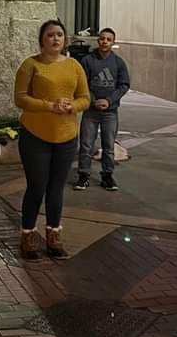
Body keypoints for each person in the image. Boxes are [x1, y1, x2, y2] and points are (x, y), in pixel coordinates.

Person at [13, 19, 90, 261]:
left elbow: (85, 97)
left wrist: (71, 106)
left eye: (59, 35)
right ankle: (28, 236)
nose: (55, 39)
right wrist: (49, 105)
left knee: (56, 189)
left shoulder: (74, 66)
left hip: (66, 136)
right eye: (50, 35)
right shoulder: (30, 65)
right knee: (37, 187)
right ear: (42, 40)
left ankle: (54, 236)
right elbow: (21, 99)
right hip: (35, 135)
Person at [75, 27, 130, 191]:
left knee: (108, 146)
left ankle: (107, 176)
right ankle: (83, 175)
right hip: (90, 111)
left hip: (110, 112)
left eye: (108, 39)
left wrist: (108, 100)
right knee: (86, 144)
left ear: (113, 42)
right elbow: (81, 83)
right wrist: (93, 100)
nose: (104, 41)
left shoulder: (118, 63)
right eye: (102, 38)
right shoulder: (87, 60)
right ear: (98, 40)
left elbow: (124, 85)